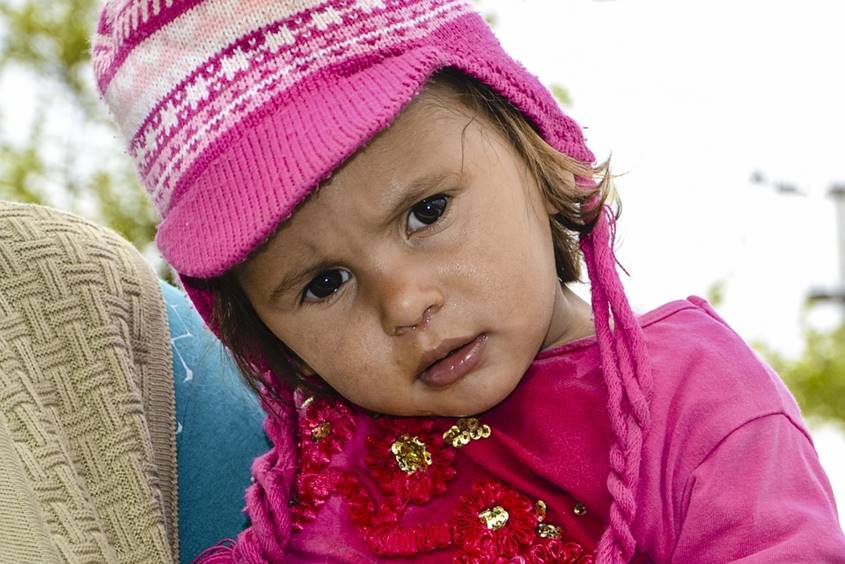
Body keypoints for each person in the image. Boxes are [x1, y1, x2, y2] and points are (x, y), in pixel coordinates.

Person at [90, 1, 845, 562]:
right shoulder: (311, 474)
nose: (406, 302)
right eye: (323, 284)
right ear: (261, 331)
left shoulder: (692, 393)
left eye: (425, 211)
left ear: (527, 136)